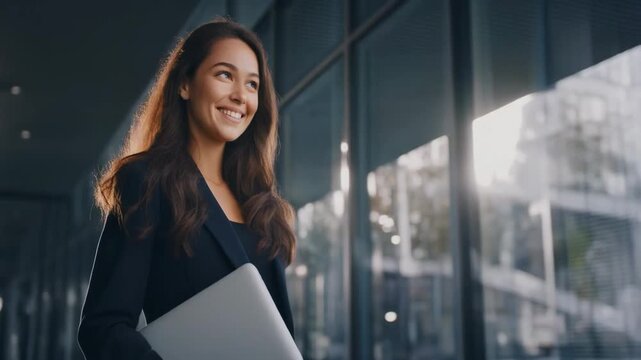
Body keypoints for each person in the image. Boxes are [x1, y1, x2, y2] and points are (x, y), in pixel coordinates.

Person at [77, 17, 297, 360]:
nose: (240, 95)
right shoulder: (146, 180)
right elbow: (103, 329)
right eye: (225, 75)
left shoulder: (263, 205)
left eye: (252, 84)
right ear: (184, 84)